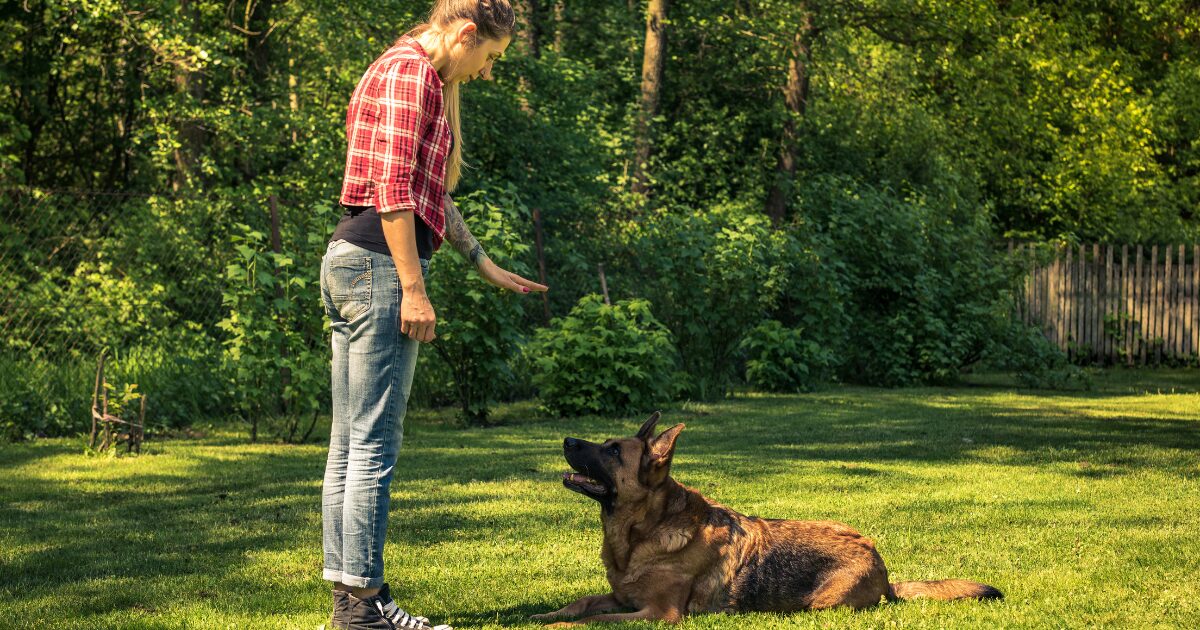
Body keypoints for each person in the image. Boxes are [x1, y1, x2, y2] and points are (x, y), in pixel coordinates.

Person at [319, 1, 546, 628]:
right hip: (376, 267)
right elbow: (393, 192)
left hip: (358, 261)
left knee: (349, 445)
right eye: (490, 58)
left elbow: (428, 194)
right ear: (466, 34)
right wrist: (414, 290)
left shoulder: (413, 74)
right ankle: (366, 607)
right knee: (371, 446)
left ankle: (350, 606)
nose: (487, 72)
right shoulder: (410, 74)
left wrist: (481, 261)